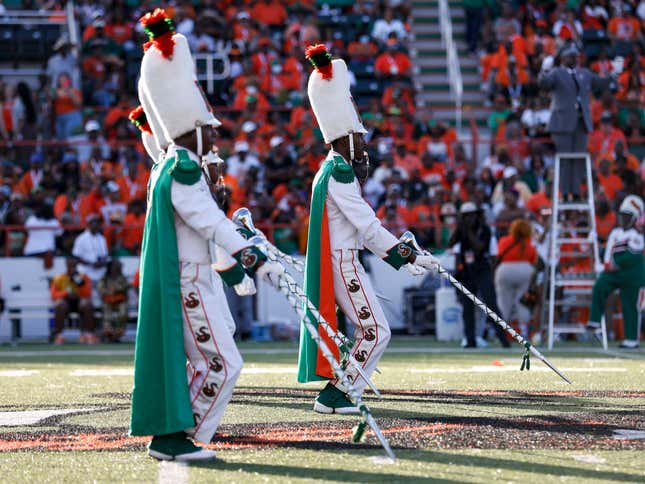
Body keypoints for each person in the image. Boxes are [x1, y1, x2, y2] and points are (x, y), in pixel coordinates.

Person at [130, 10, 283, 462]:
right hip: (190, 279)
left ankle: (179, 432)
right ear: (192, 127)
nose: (214, 131)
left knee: (216, 358)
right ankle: (177, 436)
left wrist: (243, 253)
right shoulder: (180, 165)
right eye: (207, 125)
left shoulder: (176, 165)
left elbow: (209, 222)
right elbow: (208, 223)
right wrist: (254, 256)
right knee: (222, 363)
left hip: (194, 276)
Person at [297, 44, 438, 414]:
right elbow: (369, 226)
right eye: (359, 139)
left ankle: (340, 390)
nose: (364, 147)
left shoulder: (331, 169)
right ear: (345, 137)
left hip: (346, 259)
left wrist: (406, 256)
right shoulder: (340, 172)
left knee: (370, 331)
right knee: (375, 331)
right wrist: (408, 255)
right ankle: (338, 394)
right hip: (344, 263)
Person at [538, 43, 619, 199]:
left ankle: (575, 192)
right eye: (570, 56)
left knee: (579, 159)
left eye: (576, 56)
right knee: (565, 158)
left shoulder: (585, 73)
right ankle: (565, 191)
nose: (574, 58)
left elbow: (601, 83)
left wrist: (615, 72)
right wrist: (544, 70)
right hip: (562, 123)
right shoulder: (557, 73)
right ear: (563, 58)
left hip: (581, 123)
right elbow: (544, 84)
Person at [449, 202, 510, 348]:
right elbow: (452, 245)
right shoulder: (461, 230)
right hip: (467, 273)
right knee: (467, 308)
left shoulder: (485, 230)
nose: (469, 219)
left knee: (491, 306)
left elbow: (479, 248)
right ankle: (470, 341)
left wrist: (468, 231)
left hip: (482, 270)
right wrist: (459, 230)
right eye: (466, 217)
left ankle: (504, 340)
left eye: (471, 216)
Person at [588, 195, 645, 349]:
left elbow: (630, 256)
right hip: (614, 272)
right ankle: (594, 320)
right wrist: (603, 261)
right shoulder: (615, 233)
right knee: (600, 286)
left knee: (630, 305)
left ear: (635, 218)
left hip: (632, 274)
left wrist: (613, 264)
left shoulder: (637, 236)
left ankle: (631, 339)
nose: (623, 219)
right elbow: (608, 251)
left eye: (627, 216)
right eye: (622, 216)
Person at [494, 219, 538, 337]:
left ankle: (501, 332)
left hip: (505, 270)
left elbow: (498, 257)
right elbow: (534, 260)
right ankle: (523, 331)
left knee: (503, 303)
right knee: (523, 302)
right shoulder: (529, 244)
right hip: (525, 270)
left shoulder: (504, 241)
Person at [50, 257, 96, 345]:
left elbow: (87, 293)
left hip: (79, 302)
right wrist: (66, 294)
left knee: (87, 304)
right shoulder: (59, 278)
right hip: (66, 303)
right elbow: (53, 295)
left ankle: (88, 335)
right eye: (70, 265)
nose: (72, 267)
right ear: (66, 265)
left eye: (74, 265)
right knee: (60, 305)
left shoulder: (82, 277)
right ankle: (59, 336)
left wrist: (77, 279)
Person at [97, 258, 129, 342]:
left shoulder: (122, 278)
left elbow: (125, 287)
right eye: (114, 267)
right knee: (107, 313)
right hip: (108, 301)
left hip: (120, 301)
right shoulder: (104, 278)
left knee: (123, 311)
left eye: (117, 267)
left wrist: (116, 288)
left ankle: (119, 332)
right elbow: (101, 289)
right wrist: (107, 292)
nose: (116, 269)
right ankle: (108, 332)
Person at [72, 214, 109, 284]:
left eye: (98, 223)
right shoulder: (81, 238)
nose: (97, 225)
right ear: (88, 224)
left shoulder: (102, 238)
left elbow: (105, 255)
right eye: (94, 222)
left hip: (100, 272)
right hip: (85, 272)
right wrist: (91, 264)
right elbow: (76, 257)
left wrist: (101, 262)